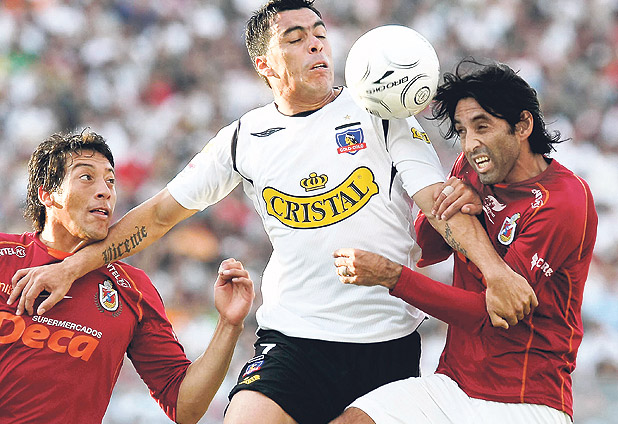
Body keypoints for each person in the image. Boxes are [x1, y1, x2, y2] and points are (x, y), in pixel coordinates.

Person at [8, 2, 536, 423]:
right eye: (295, 37)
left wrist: (496, 273)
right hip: (294, 339)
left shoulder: (380, 114)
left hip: (385, 343)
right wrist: (72, 267)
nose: (316, 44)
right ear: (265, 64)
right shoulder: (244, 138)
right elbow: (160, 214)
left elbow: (440, 206)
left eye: (320, 34)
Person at [331, 59, 598, 423]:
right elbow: (430, 244)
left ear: (522, 125)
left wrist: (392, 277)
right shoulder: (474, 168)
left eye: (482, 126)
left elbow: (491, 314)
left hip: (526, 398)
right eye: (462, 130)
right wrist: (460, 203)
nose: (470, 144)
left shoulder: (563, 201)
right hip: (453, 383)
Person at [0, 131, 254, 423]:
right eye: (86, 177)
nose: (105, 191)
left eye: (110, 181)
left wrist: (229, 325)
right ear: (47, 194)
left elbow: (184, 406)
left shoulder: (133, 289)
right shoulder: (4, 256)